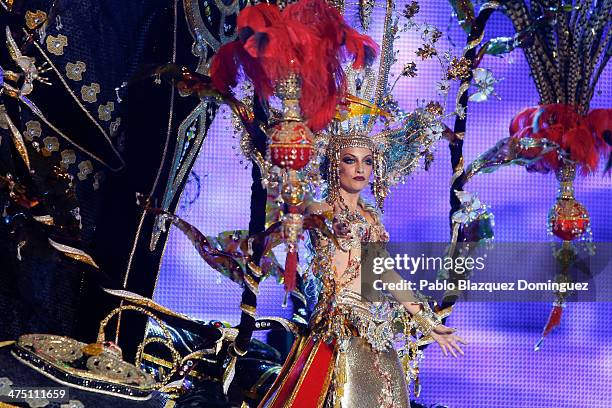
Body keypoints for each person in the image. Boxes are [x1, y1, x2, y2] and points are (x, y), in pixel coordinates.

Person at [258, 132, 467, 408]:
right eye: (350, 160)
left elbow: (387, 274)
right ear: (334, 164)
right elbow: (305, 217)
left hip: (372, 329)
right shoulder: (320, 209)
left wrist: (429, 323)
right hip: (337, 325)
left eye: (367, 162)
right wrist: (329, 225)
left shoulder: (371, 219)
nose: (360, 169)